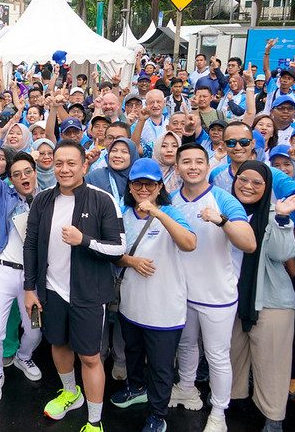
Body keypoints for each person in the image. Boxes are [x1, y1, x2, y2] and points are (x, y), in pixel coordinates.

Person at [23, 140, 126, 432]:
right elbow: (31, 245)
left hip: (89, 293)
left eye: (71, 163)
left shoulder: (102, 199)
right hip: (52, 290)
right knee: (58, 343)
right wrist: (30, 287)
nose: (64, 169)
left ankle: (95, 421)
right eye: (58, 163)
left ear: (84, 165)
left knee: (90, 356)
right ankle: (71, 392)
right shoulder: (42, 199)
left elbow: (119, 247)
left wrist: (85, 240)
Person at [169, 143, 256, 432]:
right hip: (183, 292)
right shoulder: (171, 199)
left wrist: (221, 220)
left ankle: (219, 412)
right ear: (178, 167)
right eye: (186, 162)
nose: (192, 167)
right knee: (185, 345)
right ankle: (185, 387)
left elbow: (249, 242)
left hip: (217, 295)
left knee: (218, 355)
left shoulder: (224, 199)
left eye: (198, 162)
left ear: (208, 166)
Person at [108, 159, 196, 432]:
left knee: (160, 365)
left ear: (159, 187)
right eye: (138, 183)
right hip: (131, 302)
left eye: (150, 183)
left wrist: (158, 214)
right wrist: (132, 262)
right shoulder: (122, 213)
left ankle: (158, 414)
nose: (143, 188)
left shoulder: (172, 212)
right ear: (130, 187)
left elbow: (189, 243)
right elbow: (111, 254)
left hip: (164, 307)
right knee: (133, 351)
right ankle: (136, 388)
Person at [229, 161, 295, 432]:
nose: (248, 186)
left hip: (271, 301)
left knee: (272, 363)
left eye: (257, 183)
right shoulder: (227, 212)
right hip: (233, 301)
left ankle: (274, 419)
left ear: (267, 187)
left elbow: (283, 254)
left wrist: (283, 220)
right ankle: (234, 402)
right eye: (243, 179)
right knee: (233, 356)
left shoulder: (274, 213)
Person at [0, 117, 42, 403]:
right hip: (1, 273)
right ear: (11, 179)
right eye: (17, 174)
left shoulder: (47, 200)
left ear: (36, 173)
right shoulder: (4, 194)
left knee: (35, 329)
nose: (24, 177)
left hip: (32, 278)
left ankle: (24, 357)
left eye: (28, 172)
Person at [85, 138, 139, 206]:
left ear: (133, 156)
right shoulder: (95, 177)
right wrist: (87, 165)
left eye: (124, 152)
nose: (117, 155)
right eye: (114, 151)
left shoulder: (139, 180)